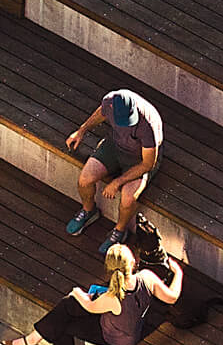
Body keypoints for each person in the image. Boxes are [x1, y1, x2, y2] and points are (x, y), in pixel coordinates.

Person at [0, 239, 183, 345]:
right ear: (133, 263)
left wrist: (77, 292)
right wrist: (178, 273)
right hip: (132, 327)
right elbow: (172, 296)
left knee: (66, 313)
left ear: (110, 268)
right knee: (67, 310)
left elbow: (90, 307)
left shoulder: (113, 297)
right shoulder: (146, 277)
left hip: (115, 336)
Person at [62, 87, 163, 236]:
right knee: (84, 180)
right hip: (115, 146)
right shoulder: (109, 101)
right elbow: (100, 113)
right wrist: (81, 131)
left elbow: (147, 164)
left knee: (128, 199)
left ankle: (120, 231)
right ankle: (89, 210)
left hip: (139, 159)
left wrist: (117, 182)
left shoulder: (148, 125)